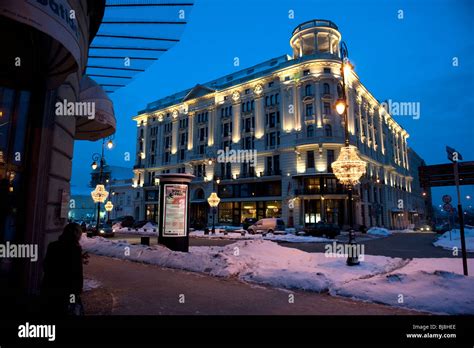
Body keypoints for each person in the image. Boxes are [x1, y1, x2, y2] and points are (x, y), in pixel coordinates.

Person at [41, 222, 88, 316]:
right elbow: (77, 273)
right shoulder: (75, 249)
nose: (80, 236)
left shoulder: (53, 245)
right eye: (79, 233)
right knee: (68, 310)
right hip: (68, 290)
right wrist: (77, 292)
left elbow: (46, 265)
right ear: (76, 234)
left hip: (50, 287)